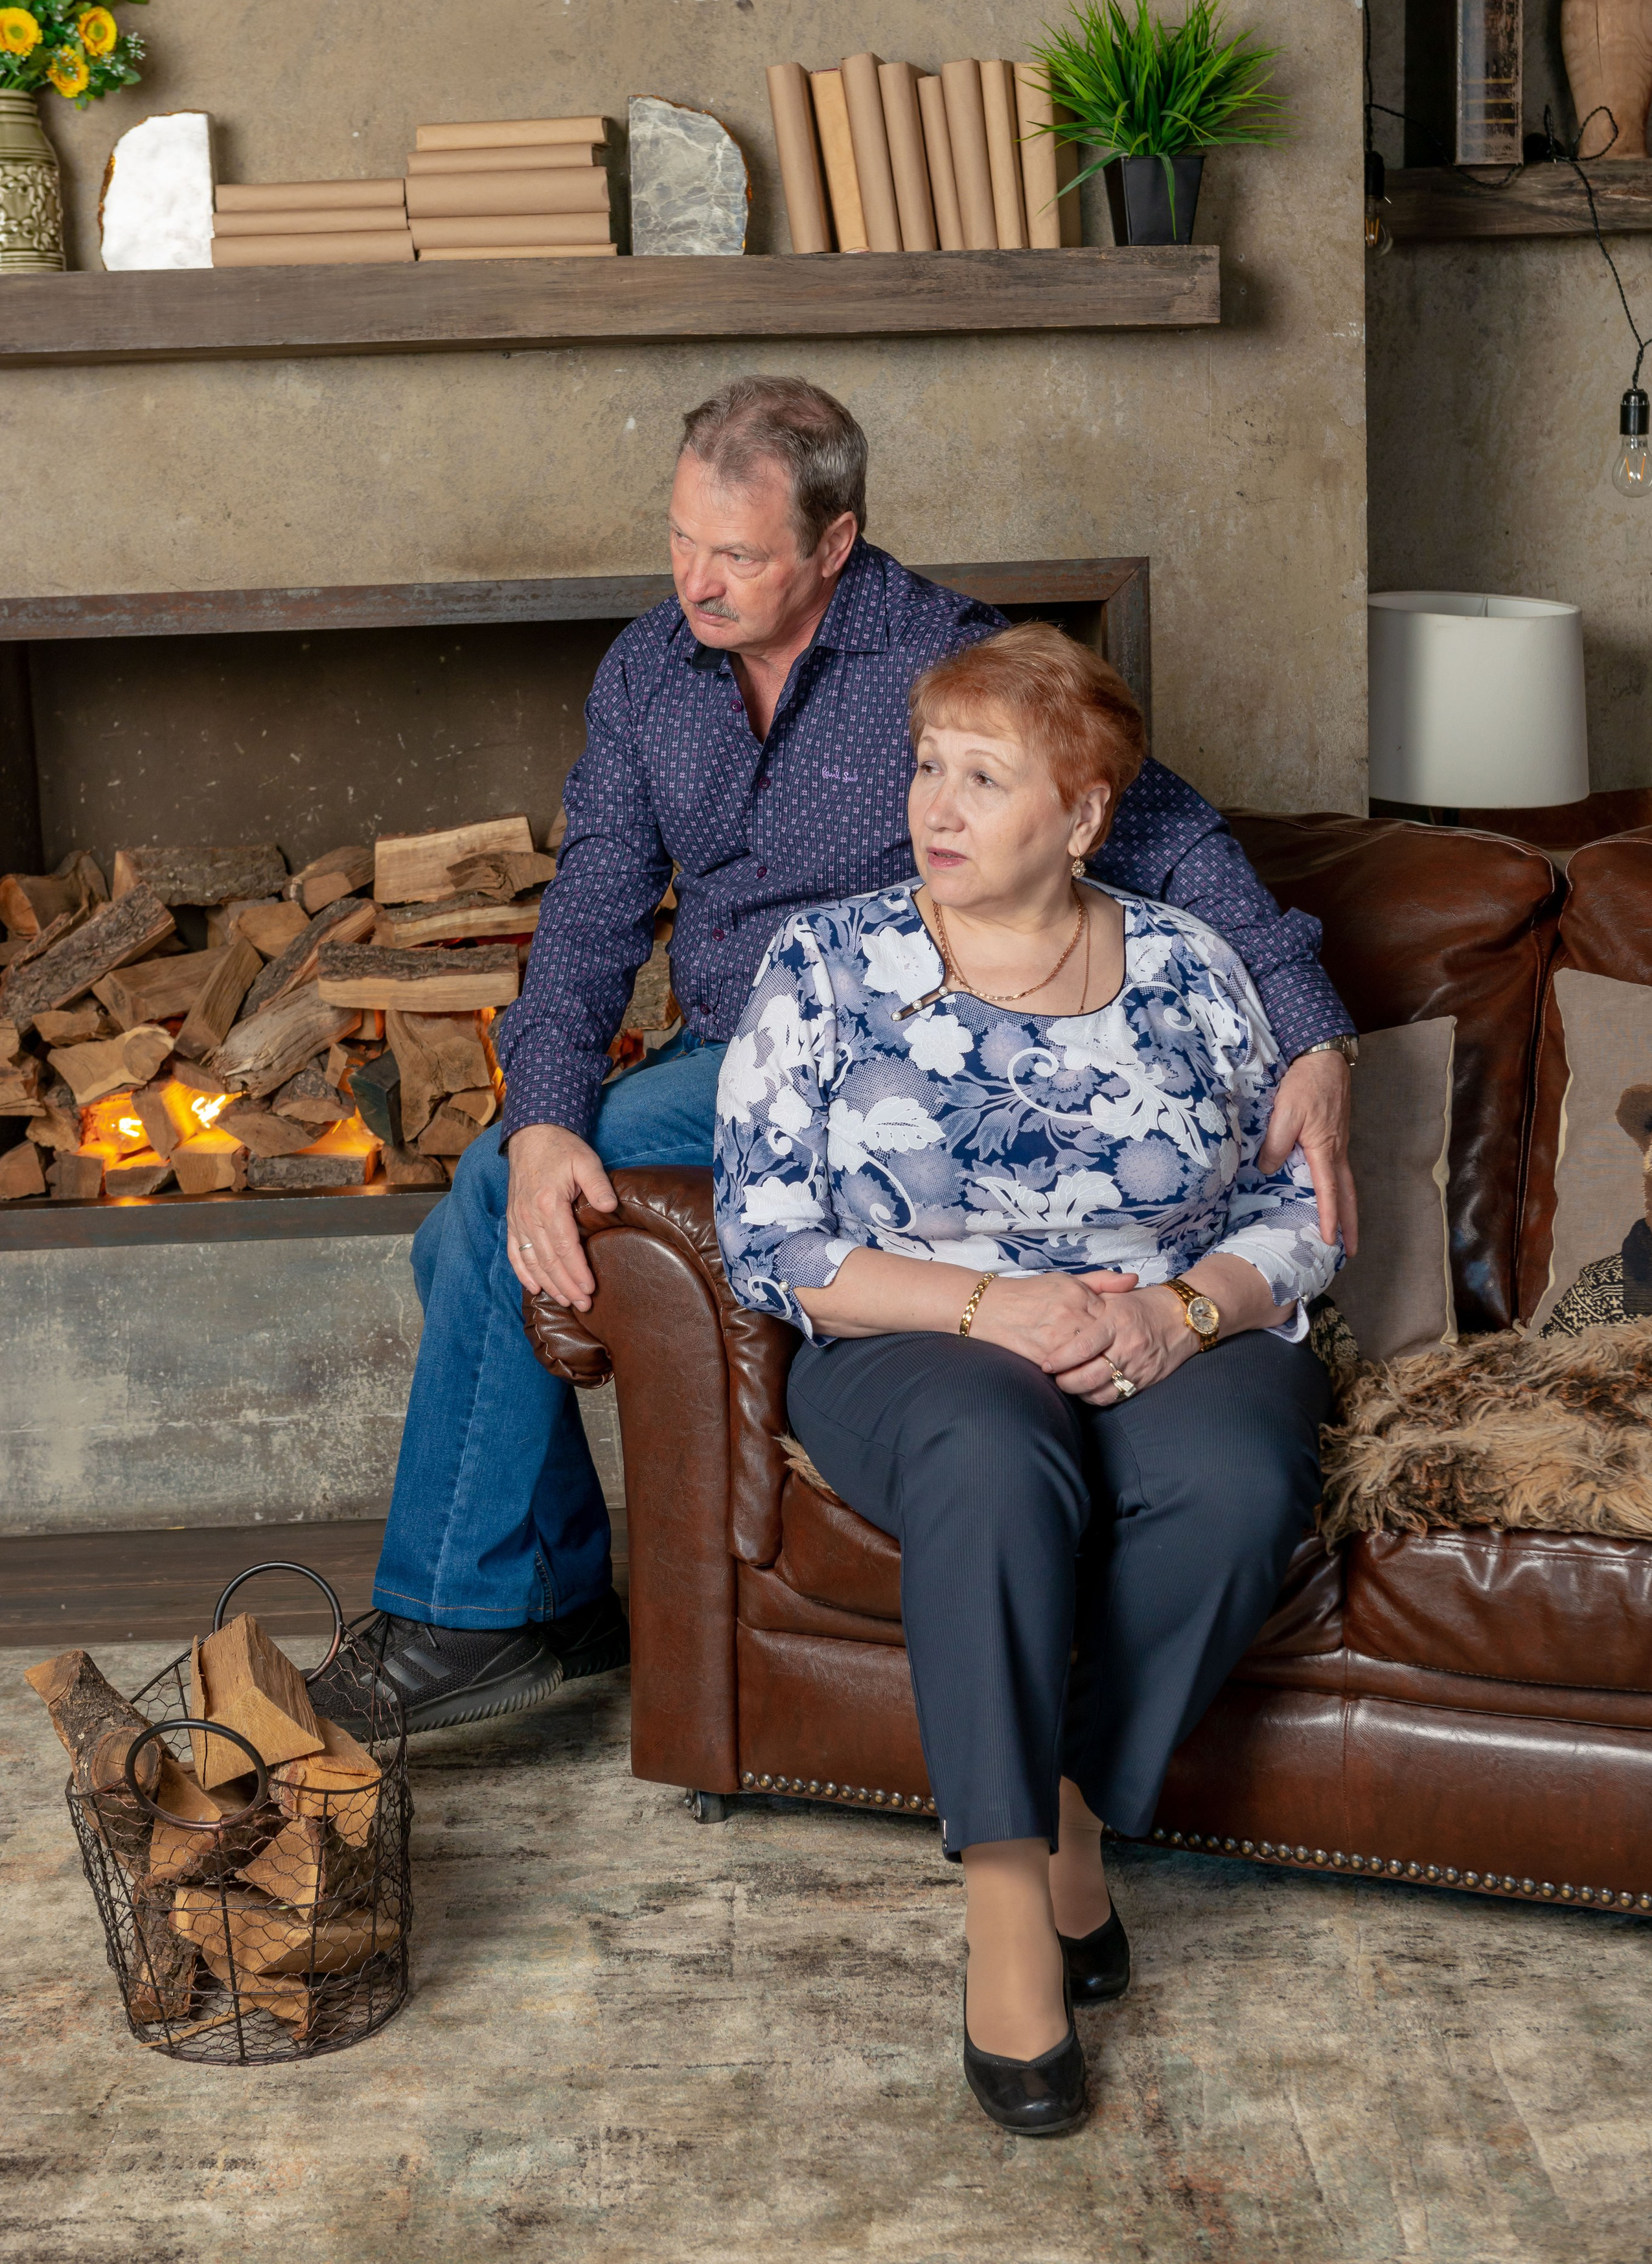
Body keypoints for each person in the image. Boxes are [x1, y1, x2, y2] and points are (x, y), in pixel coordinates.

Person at [334, 376, 1357, 1739]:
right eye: (682, 540)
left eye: (738, 553)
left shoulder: (948, 659)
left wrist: (1313, 1029)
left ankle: (468, 1617)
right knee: (497, 1203)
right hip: (719, 1055)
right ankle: (541, 1597)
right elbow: (590, 905)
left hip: (878, 1062)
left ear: (832, 542)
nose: (698, 579)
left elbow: (1164, 834)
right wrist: (543, 1113)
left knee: (476, 1213)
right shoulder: (648, 667)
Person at [712, 622, 1341, 2134]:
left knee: (1243, 1476)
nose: (934, 802)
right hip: (916, 1336)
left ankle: (1073, 1804)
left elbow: (1301, 1212)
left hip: (1158, 1321)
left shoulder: (1189, 966)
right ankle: (1009, 1914)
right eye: (929, 765)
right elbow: (765, 1231)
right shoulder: (823, 963)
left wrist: (1182, 1315)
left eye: (982, 777)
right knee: (994, 1460)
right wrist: (996, 1306)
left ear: (1080, 813)